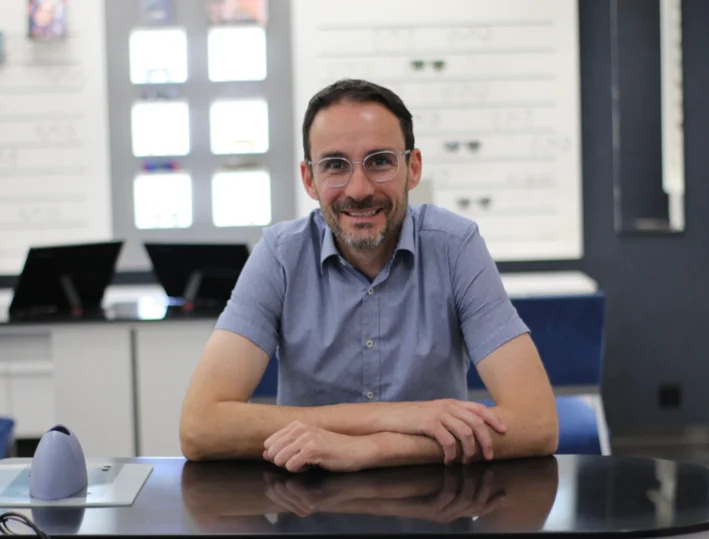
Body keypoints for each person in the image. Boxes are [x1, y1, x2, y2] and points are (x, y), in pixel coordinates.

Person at [179, 78, 558, 472]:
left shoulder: (455, 246)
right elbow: (200, 427)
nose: (358, 190)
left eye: (379, 161)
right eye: (335, 165)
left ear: (413, 168)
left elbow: (537, 423)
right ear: (309, 179)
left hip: (438, 500)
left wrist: (374, 449)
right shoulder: (280, 254)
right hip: (308, 497)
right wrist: (400, 416)